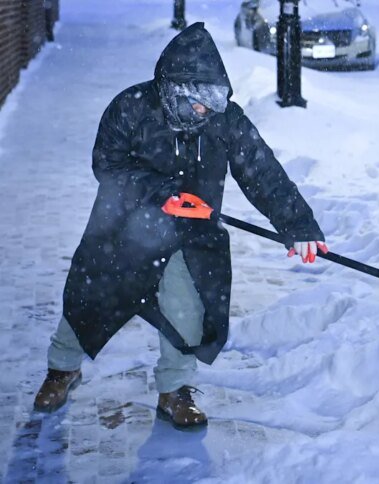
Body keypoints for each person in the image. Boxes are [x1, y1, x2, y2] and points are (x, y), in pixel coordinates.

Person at [32, 22, 326, 430]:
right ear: (173, 91)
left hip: (192, 234)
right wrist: (160, 193)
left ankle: (175, 389)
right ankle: (62, 368)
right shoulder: (131, 107)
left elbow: (264, 172)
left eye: (212, 102)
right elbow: (107, 164)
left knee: (187, 309)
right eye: (197, 103)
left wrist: (299, 225)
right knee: (89, 297)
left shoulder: (224, 120)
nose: (205, 111)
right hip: (123, 228)